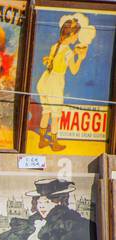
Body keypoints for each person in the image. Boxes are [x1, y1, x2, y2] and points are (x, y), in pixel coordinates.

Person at [35, 16, 86, 151]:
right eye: (77, 35)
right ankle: (54, 143)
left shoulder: (55, 46)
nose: (77, 38)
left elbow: (58, 58)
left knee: (46, 112)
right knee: (56, 115)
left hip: (45, 80)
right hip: (55, 83)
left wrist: (74, 52)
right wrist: (80, 58)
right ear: (72, 34)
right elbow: (74, 70)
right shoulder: (68, 52)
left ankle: (41, 140)